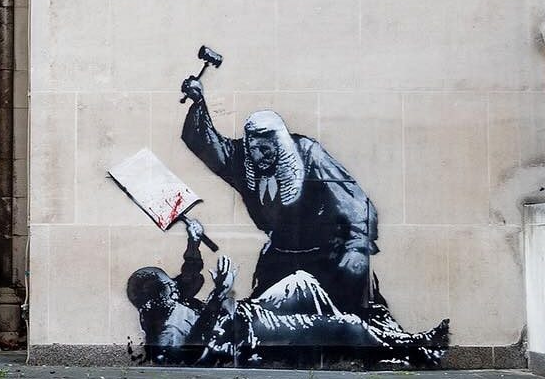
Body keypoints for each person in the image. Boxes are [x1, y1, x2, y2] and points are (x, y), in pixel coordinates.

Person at [125, 217, 448, 368]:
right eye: (168, 285)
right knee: (346, 325)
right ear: (154, 299)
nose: (176, 285)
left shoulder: (170, 300)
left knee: (302, 281)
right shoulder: (165, 332)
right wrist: (219, 294)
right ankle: (410, 346)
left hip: (248, 312)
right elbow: (192, 357)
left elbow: (190, 276)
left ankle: (377, 347)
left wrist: (193, 239)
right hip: (249, 331)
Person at [179, 74, 378, 313]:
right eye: (254, 150)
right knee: (262, 321)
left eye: (265, 150)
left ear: (280, 146)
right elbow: (207, 144)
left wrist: (356, 249)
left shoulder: (309, 155)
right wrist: (198, 101)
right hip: (280, 257)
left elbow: (355, 205)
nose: (259, 157)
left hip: (325, 258)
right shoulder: (244, 160)